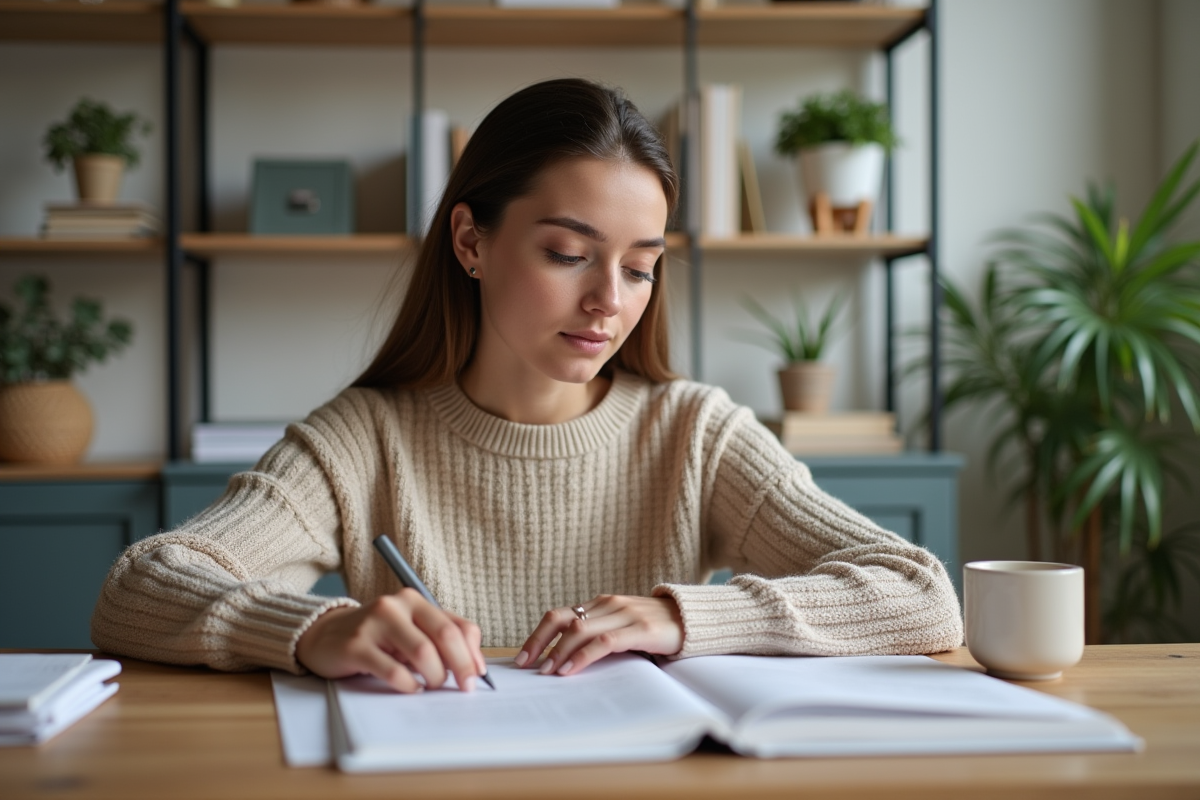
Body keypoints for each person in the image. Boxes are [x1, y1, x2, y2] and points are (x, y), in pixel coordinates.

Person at [91, 78, 962, 695]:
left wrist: (683, 618)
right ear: (471, 243)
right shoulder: (362, 438)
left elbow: (921, 595)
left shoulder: (695, 432)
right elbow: (138, 589)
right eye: (569, 254)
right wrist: (315, 630)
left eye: (640, 268)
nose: (608, 303)